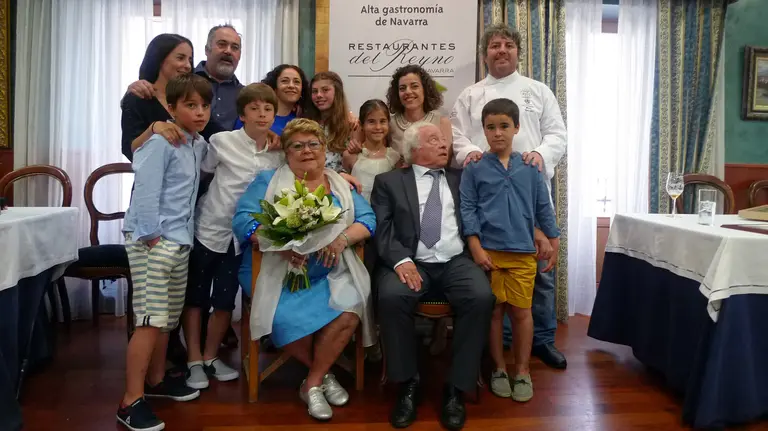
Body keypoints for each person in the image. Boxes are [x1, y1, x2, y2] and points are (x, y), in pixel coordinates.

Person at [232, 118, 376, 421]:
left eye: (313, 144)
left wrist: (341, 240)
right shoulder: (267, 181)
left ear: (324, 149)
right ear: (286, 153)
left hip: (329, 272)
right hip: (274, 272)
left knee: (351, 307)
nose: (306, 150)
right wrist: (280, 245)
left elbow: (368, 220)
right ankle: (323, 376)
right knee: (280, 315)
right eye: (297, 146)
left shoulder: (340, 184)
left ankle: (311, 382)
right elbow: (244, 221)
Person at [450, 23, 568, 369]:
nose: (501, 50)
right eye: (494, 46)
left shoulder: (538, 91)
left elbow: (557, 134)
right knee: (493, 274)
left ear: (518, 52)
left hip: (529, 189)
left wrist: (540, 155)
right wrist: (471, 152)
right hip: (488, 192)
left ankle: (542, 339)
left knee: (539, 271)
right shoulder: (470, 95)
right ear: (484, 54)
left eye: (508, 45)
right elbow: (457, 136)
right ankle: (500, 347)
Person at [371, 122, 495, 431]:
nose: (444, 145)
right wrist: (401, 260)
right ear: (415, 150)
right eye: (435, 140)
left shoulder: (461, 179)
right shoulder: (388, 182)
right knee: (392, 297)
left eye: (444, 140)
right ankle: (407, 384)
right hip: (412, 262)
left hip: (455, 260)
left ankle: (456, 388)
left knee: (481, 297)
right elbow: (382, 229)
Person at [117, 73, 212, 431]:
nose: (200, 112)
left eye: (204, 105)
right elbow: (145, 192)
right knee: (149, 319)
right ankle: (130, 401)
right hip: (153, 241)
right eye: (190, 105)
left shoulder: (197, 144)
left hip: (179, 239)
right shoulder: (159, 142)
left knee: (168, 318)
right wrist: (152, 237)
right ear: (171, 108)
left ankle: (156, 380)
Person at [182, 83, 285, 390]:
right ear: (242, 114)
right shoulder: (221, 141)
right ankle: (193, 359)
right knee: (196, 297)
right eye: (254, 109)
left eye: (268, 109)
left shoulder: (277, 153)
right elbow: (203, 171)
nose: (262, 114)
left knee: (225, 300)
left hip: (243, 238)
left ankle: (211, 356)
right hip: (210, 227)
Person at [460, 98, 560, 402]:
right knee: (494, 313)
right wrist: (475, 247)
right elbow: (468, 209)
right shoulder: (475, 168)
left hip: (522, 252)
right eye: (490, 127)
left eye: (504, 126)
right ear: (483, 130)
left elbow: (542, 207)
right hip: (488, 253)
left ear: (517, 127)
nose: (497, 133)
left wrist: (554, 241)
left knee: (521, 312)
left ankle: (522, 370)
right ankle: (499, 369)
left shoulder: (530, 167)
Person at [121, 33, 223, 162]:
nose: (188, 65)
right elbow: (129, 150)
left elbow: (217, 133)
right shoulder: (137, 97)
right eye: (180, 58)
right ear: (159, 59)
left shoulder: (193, 96)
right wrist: (153, 129)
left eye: (190, 60)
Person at [127, 24, 244, 133]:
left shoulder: (245, 94)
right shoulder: (186, 83)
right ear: (207, 50)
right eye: (222, 44)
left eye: (235, 47)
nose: (228, 51)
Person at [342, 99, 400, 203]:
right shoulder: (351, 156)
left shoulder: (394, 157)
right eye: (371, 122)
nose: (378, 127)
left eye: (382, 121)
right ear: (362, 125)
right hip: (358, 209)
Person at [254, 64, 317, 135]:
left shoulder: (305, 121)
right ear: (274, 87)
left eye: (296, 82)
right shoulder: (257, 117)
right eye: (285, 81)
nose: (291, 86)